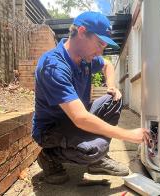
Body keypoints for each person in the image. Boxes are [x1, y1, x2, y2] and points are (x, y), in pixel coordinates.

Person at [32, 11, 151, 184]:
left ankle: (97, 161)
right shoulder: (54, 66)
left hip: (75, 118)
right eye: (100, 43)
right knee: (95, 148)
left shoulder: (86, 58)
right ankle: (49, 156)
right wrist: (128, 135)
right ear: (81, 32)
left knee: (113, 100)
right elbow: (80, 118)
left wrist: (111, 86)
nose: (101, 51)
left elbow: (108, 65)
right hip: (51, 130)